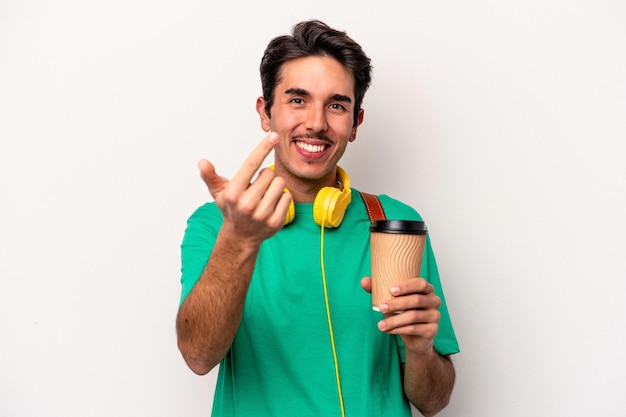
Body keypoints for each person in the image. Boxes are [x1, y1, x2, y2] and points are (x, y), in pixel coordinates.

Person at [176, 19, 459, 417]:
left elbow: (434, 400)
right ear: (265, 112)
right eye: (297, 100)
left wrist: (421, 348)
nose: (316, 122)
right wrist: (239, 239)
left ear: (355, 123)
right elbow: (198, 356)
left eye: (336, 105)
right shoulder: (216, 224)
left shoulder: (394, 223)